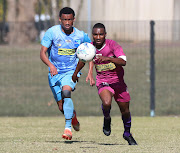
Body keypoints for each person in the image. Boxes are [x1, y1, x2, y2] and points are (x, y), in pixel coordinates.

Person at [72, 23, 137, 145]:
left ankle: (127, 134)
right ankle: (107, 118)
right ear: (92, 35)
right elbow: (83, 60)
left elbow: (123, 61)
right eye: (95, 34)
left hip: (119, 83)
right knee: (106, 103)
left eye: (101, 34)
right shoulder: (89, 48)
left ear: (105, 35)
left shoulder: (113, 45)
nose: (98, 37)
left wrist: (109, 59)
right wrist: (75, 73)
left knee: (125, 111)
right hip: (103, 81)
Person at [40, 7, 91, 140]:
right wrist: (50, 65)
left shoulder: (80, 35)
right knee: (62, 106)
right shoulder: (52, 32)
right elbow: (42, 53)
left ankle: (67, 128)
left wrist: (90, 71)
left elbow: (91, 51)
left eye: (69, 19)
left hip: (71, 72)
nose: (67, 22)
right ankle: (72, 116)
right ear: (60, 19)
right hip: (54, 73)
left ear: (74, 19)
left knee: (66, 92)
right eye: (64, 19)